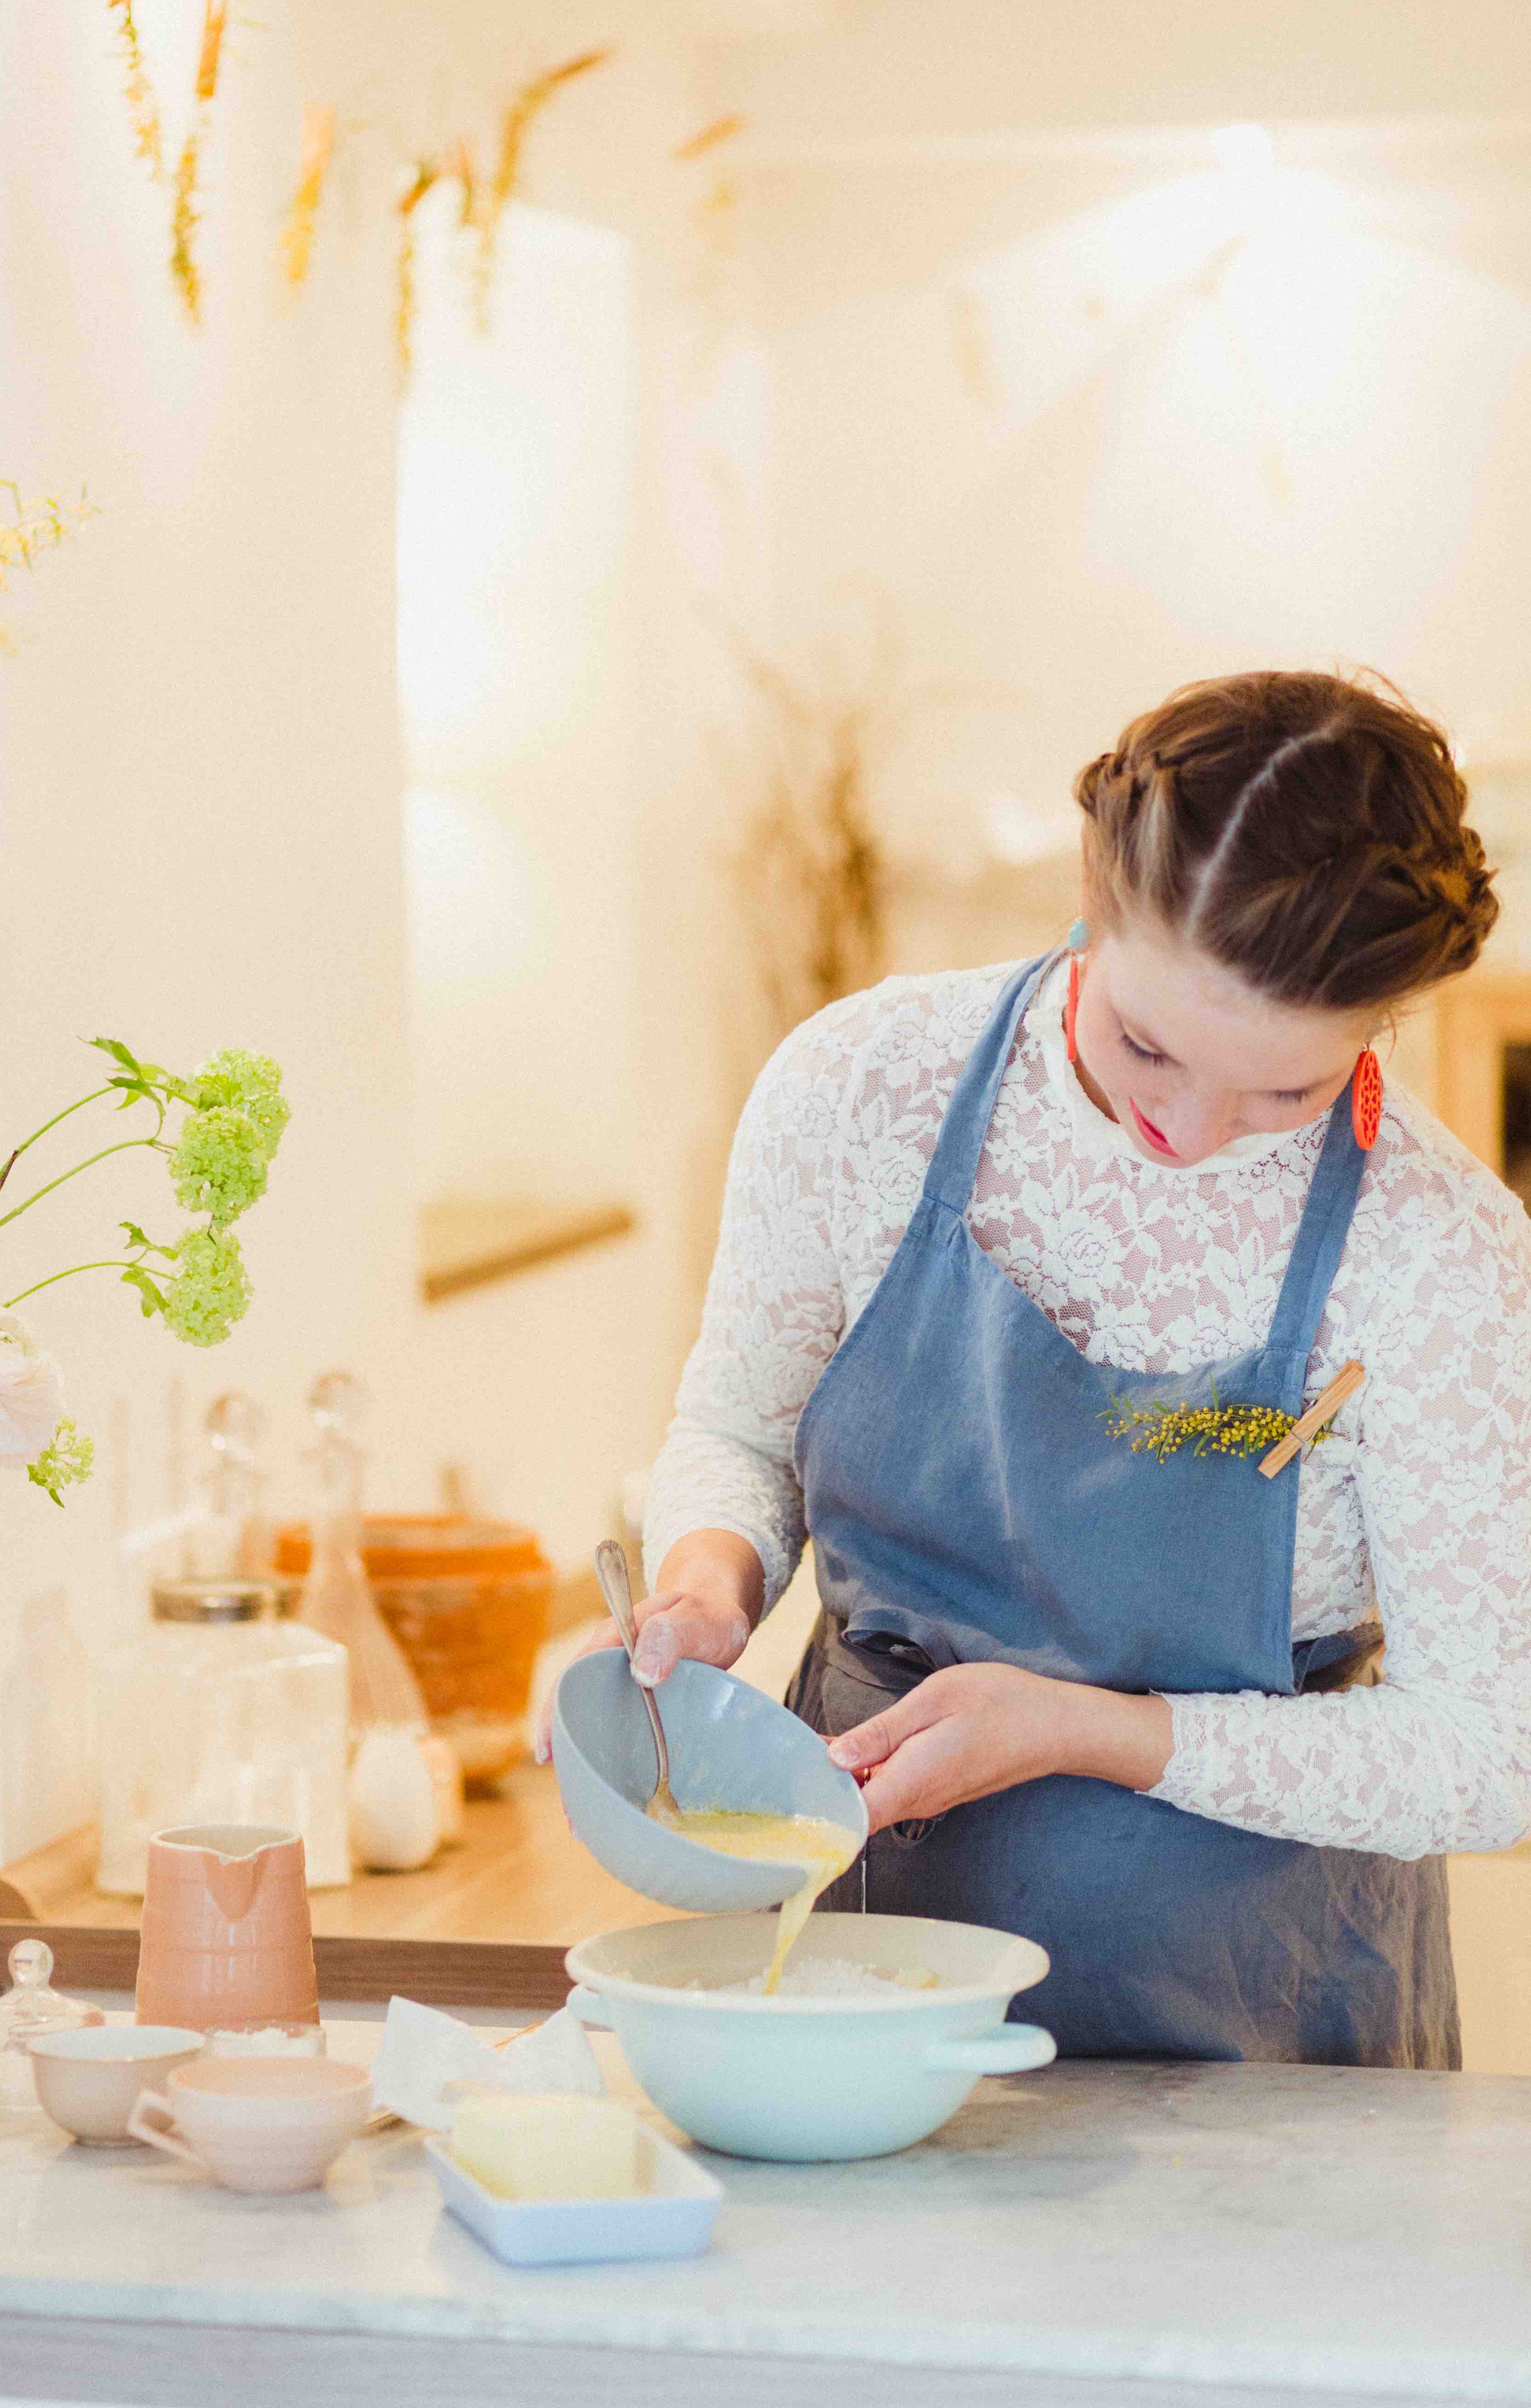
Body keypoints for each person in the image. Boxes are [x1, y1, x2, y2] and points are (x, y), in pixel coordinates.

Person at [590, 671, 1531, 2064]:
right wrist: (706, 1580)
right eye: (1147, 1044)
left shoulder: (1440, 1253)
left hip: (1260, 2017)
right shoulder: (864, 1089)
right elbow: (734, 1427)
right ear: (1089, 889)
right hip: (854, 1969)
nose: (1191, 1128)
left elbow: (1488, 1756)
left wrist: (1091, 1732)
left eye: (1286, 1091)